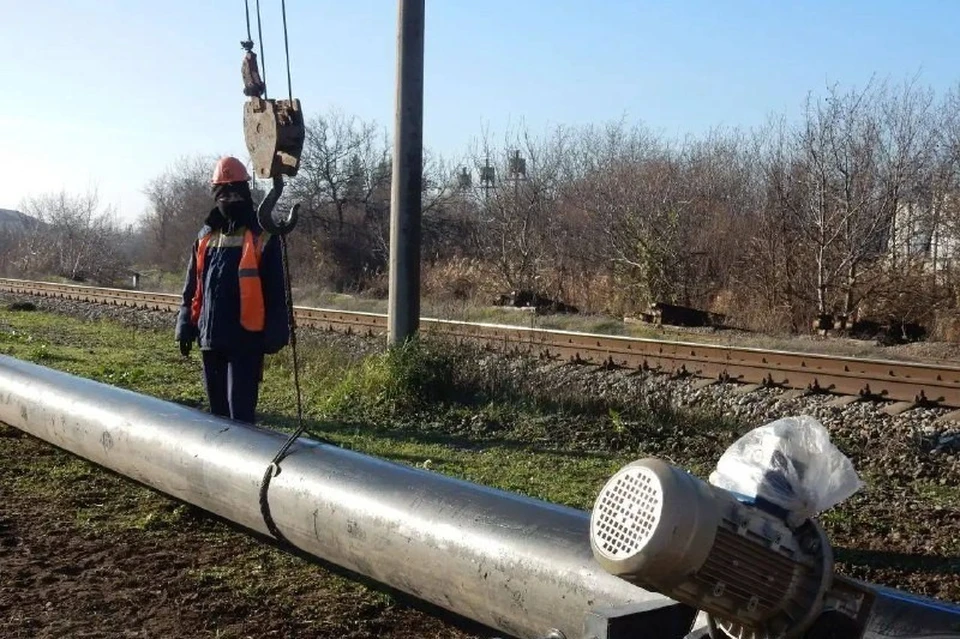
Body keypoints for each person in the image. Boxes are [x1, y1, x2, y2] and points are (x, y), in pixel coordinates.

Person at [175, 156, 290, 424]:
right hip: (210, 338)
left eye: (236, 193)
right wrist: (185, 324)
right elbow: (192, 286)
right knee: (216, 417)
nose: (230, 199)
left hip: (246, 340)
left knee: (241, 417)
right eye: (224, 194)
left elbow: (276, 290)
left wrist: (276, 330)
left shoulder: (263, 235)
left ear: (246, 193)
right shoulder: (205, 237)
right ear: (216, 195)